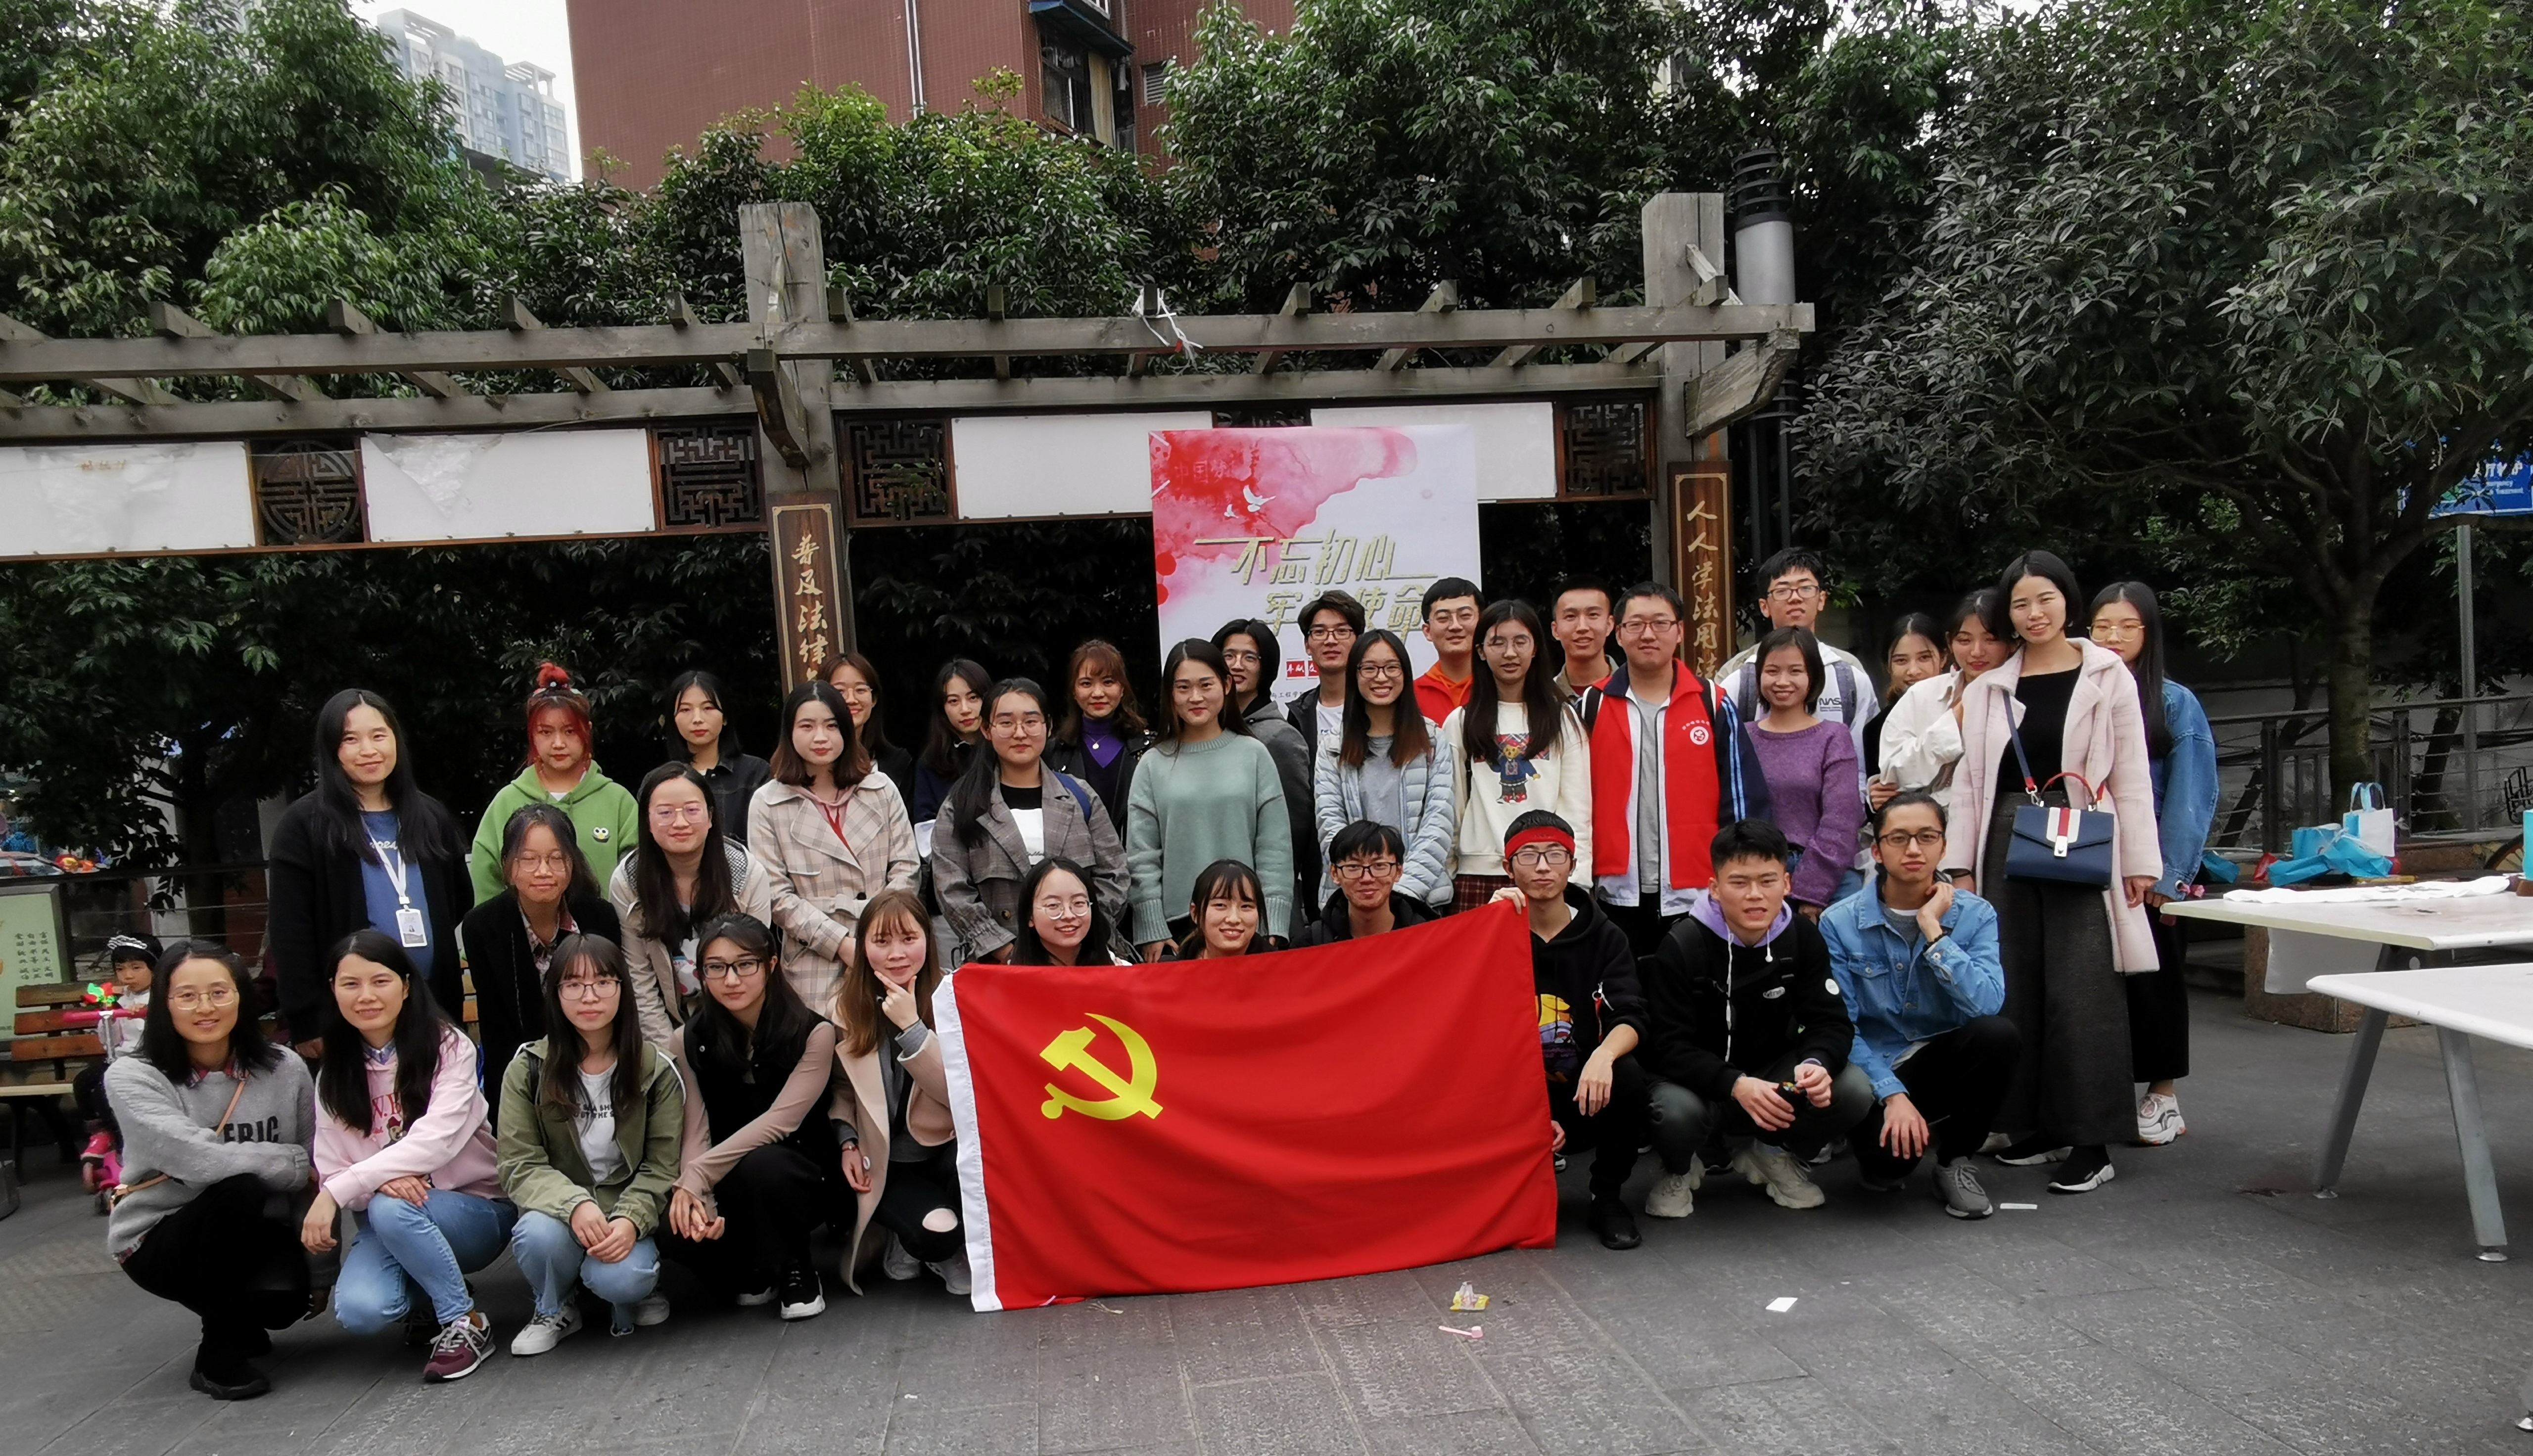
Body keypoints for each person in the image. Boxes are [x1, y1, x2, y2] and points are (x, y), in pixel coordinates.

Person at [1943, 550, 2159, 1195]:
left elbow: (2132, 774)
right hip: (2002, 836)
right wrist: (1960, 866)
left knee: (2082, 986)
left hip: (2079, 832)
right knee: (2015, 984)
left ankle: (2090, 1141)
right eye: (2020, 603)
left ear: (2068, 601)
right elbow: (1970, 785)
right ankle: (2035, 1125)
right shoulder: (1988, 687)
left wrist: (2140, 863)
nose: (2034, 613)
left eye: (2045, 599)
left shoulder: (2107, 675)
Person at [105, 942, 314, 1400]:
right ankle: (217, 1354)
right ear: (164, 1003)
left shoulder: (286, 1068)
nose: (205, 1008)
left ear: (241, 997)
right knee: (238, 1188)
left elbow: (314, 1177)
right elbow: (197, 1161)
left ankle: (238, 1317)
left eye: (219, 993)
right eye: (187, 996)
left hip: (256, 1227)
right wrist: (288, 1162)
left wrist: (321, 1267)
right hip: (158, 1236)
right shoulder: (133, 1075)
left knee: (284, 1301)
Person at [305, 931, 512, 1381]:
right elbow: (334, 1167)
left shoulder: (449, 1047)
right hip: (387, 1219)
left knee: (392, 1206)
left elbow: (435, 1142)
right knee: (361, 1310)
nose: (366, 996)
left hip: (473, 1210)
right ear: (333, 990)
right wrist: (379, 1181)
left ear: (405, 985)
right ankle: (433, 1282)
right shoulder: (334, 1074)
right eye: (351, 984)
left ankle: (464, 1321)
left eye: (380, 981)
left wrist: (338, 1193)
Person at [1640, 819, 1873, 1214]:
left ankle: (1771, 1153)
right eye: (1739, 882)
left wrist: (1817, 1063)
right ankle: (1680, 1166)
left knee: (1852, 1088)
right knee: (1671, 1111)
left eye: (1767, 881)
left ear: (1787, 883)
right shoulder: (1683, 945)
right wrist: (1734, 1084)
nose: (1755, 895)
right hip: (1699, 1087)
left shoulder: (1802, 937)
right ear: (1715, 888)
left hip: (1775, 1079)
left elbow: (1831, 1022)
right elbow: (1666, 1046)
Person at [1821, 792, 2019, 1219]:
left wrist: (1934, 931)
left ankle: (1955, 1160)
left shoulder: (1976, 914)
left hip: (1942, 1060)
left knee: (1998, 1035)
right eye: (1899, 838)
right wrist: (1893, 1095)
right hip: (1879, 1066)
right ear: (1877, 851)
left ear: (1943, 847)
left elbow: (1987, 1003)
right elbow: (1841, 1025)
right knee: (1887, 1168)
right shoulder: (1838, 921)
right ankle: (1881, 1132)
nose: (1914, 849)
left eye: (1927, 837)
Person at [497, 933, 683, 1353]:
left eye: (603, 982)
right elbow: (519, 1163)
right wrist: (575, 1205)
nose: (590, 996)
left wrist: (631, 1219)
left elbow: (663, 1165)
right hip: (560, 1212)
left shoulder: (656, 1069)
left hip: (625, 1209)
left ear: (622, 989)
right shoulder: (528, 1068)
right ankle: (555, 1304)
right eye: (573, 984)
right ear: (555, 993)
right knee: (536, 1235)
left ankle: (629, 1285)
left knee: (624, 1279)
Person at [659, 914, 840, 1320]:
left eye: (745, 965)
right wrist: (699, 1198)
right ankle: (750, 1265)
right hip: (727, 1177)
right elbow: (696, 1128)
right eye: (716, 967)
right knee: (672, 1227)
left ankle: (796, 1264)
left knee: (766, 1167)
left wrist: (699, 1175)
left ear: (771, 965)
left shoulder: (813, 1032)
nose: (731, 980)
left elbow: (781, 1122)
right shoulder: (687, 1039)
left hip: (801, 1173)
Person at [269, 688, 471, 1049]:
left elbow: (458, 899)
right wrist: (307, 1019)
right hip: (347, 1017)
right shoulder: (305, 824)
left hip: (432, 1006)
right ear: (331, 749)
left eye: (379, 736)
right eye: (351, 739)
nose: (368, 750)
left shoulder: (430, 817)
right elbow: (290, 931)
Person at [1576, 584, 1774, 954]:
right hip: (1615, 890)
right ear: (1618, 633)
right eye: (1636, 624)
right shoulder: (1593, 704)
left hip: (1697, 889)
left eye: (1660, 623)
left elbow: (1741, 800)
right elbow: (1575, 797)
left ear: (1680, 631)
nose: (1648, 634)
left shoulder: (1712, 702)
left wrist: (1742, 876)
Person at [2090, 582, 2217, 1147]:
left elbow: (2192, 792)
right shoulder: (2082, 691)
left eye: (2126, 626)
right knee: (2102, 985)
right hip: (2092, 860)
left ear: (2148, 633)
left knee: (2156, 981)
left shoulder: (2171, 701)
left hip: (2151, 868)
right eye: (2102, 626)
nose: (2113, 637)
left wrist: (2170, 874)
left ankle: (2163, 1095)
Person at [1490, 811, 1648, 1249]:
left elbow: (1631, 1015)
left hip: (1583, 1094)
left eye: (1555, 855)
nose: (1543, 867)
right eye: (1529, 856)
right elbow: (1470, 1026)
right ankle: (1504, 1195)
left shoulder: (1606, 936)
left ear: (1573, 864)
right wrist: (1487, 928)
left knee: (1628, 1074)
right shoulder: (1493, 931)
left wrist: (1603, 1056)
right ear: (1507, 868)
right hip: (1515, 1097)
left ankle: (1607, 1196)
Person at [749, 682, 919, 1014]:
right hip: (814, 956)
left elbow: (907, 867)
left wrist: (880, 934)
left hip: (889, 946)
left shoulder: (881, 789)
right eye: (807, 726)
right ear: (789, 732)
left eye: (831, 726)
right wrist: (841, 944)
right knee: (825, 1042)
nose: (821, 737)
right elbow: (776, 895)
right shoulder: (767, 803)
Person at [933, 679, 1131, 963]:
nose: (1020, 733)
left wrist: (1081, 937)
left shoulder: (1080, 797)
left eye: (1031, 721)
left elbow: (1115, 874)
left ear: (1048, 727)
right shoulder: (962, 805)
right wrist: (1006, 951)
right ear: (987, 730)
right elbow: (951, 888)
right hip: (1001, 966)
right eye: (1006, 723)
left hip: (1082, 961)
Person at [829, 889, 967, 1296]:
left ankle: (951, 1241)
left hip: (946, 1148)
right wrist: (847, 1141)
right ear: (863, 946)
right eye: (881, 941)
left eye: (909, 939)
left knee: (979, 1191)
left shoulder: (954, 999)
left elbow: (960, 1095)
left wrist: (913, 1030)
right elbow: (842, 1089)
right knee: (937, 1234)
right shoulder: (846, 1007)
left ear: (928, 939)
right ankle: (909, 1235)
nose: (896, 954)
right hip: (887, 1161)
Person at [1126, 639, 1295, 958]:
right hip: (1176, 931)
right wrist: (1152, 928)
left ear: (1227, 685)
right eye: (1183, 688)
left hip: (1246, 925)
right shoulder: (1152, 764)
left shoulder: (1254, 755)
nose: (1196, 697)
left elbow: (1275, 847)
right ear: (1170, 694)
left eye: (1206, 685)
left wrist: (1272, 920)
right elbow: (1141, 856)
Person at [459, 804, 621, 1118]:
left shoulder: (599, 917)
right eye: (528, 859)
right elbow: (497, 1029)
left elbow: (611, 1005)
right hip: (520, 1073)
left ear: (572, 863)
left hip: (595, 1067)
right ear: (508, 866)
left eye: (556, 858)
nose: (543, 871)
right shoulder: (483, 926)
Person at [1446, 599, 1593, 910]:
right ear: (1481, 651)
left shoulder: (1563, 718)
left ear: (1535, 648)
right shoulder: (1461, 721)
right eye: (1498, 643)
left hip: (1546, 872)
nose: (1510, 653)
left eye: (1520, 642)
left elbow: (1577, 808)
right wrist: (1446, 876)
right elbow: (1452, 807)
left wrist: (1576, 879)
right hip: (1479, 872)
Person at [614, 764, 775, 1046]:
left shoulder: (747, 874)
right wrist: (671, 1056)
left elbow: (754, 971)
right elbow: (640, 981)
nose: (680, 823)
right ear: (647, 821)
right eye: (665, 813)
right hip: (664, 1024)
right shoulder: (628, 881)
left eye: (691, 810)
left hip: (738, 1023)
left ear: (710, 816)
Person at [468, 664, 642, 903]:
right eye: (546, 732)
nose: (558, 743)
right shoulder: (507, 801)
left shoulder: (618, 801)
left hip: (608, 927)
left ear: (588, 731)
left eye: (570, 732)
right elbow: (486, 880)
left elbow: (639, 878)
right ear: (532, 735)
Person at [1315, 629, 1458, 910]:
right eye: (1369, 668)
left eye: (1392, 667)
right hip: (1353, 904)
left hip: (1422, 902)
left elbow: (1439, 824)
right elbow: (1330, 826)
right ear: (1355, 675)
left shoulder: (1432, 741)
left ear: (1405, 673)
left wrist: (1401, 894)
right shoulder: (1333, 747)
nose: (1381, 678)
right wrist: (1367, 888)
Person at [1742, 627, 1867, 918]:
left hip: (1828, 880)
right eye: (1772, 671)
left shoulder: (1834, 737)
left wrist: (1812, 892)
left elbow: (1842, 820)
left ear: (1813, 677)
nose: (1782, 681)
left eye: (1796, 671)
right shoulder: (1741, 736)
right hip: (1756, 877)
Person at [1718, 548, 1878, 769]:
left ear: (1821, 599)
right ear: (1764, 606)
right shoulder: (1738, 674)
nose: (1795, 598)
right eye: (1783, 591)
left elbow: (1865, 757)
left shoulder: (1848, 672)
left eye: (1806, 588)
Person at [1214, 617, 1321, 912]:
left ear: (1267, 667)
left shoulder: (1279, 737)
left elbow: (1292, 834)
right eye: (1229, 656)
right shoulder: (1203, 734)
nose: (1237, 665)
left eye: (1250, 658)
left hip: (1261, 897)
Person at [1876, 590, 2006, 810]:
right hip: (1930, 827)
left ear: (2012, 643)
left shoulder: (2026, 695)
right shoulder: (1922, 695)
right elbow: (1892, 774)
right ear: (1950, 643)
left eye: (1991, 639)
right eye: (1964, 640)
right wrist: (1955, 721)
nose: (1976, 651)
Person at [76, 931, 159, 1194]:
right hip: (122, 1059)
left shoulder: (162, 998)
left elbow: (163, 1035)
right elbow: (110, 1042)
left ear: (155, 968)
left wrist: (144, 1015)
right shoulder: (122, 1000)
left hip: (150, 1061)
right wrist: (109, 1018)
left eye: (136, 968)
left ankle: (124, 1143)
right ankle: (102, 1131)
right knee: (84, 1081)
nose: (128, 976)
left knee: (105, 1089)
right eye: (121, 969)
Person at [1046, 639, 1150, 838]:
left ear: (1122, 689)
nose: (1098, 693)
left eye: (1108, 682)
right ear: (1074, 691)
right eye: (1086, 684)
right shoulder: (1053, 753)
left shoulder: (1149, 750)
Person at [665, 670, 771, 848]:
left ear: (725, 717)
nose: (697, 719)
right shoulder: (661, 781)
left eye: (708, 708)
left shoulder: (755, 773)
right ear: (673, 720)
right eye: (685, 710)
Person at [1291, 820, 1438, 947]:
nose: (1367, 878)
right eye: (1354, 867)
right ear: (1335, 873)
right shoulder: (1309, 946)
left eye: (1379, 866)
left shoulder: (1429, 941)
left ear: (1398, 872)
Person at [1863, 613, 1947, 780]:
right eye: (1901, 661)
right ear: (1888, 666)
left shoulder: (1964, 711)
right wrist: (1877, 792)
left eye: (1924, 658)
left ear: (1943, 658)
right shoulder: (1875, 730)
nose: (1913, 671)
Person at [823, 652, 916, 804]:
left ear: (874, 700)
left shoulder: (898, 763)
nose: (851, 699)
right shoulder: (811, 765)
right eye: (840, 691)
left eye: (860, 690)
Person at [1284, 591, 1365, 760]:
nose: (1330, 641)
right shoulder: (1299, 713)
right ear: (1307, 645)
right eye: (1320, 632)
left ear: (1358, 641)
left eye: (1342, 631)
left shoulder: (1375, 704)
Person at [911, 659, 993, 825]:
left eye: (973, 698)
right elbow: (925, 826)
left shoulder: (1005, 752)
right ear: (943, 708)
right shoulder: (932, 763)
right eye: (954, 701)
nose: (965, 710)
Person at [1009, 857, 1131, 966]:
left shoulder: (1122, 975)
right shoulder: (1011, 980)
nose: (1069, 915)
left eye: (1079, 903)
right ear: (1030, 916)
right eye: (1053, 905)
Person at [1412, 577, 1484, 723]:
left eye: (1465, 616)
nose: (1455, 626)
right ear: (1428, 631)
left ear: (1482, 624)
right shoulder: (1411, 696)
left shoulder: (1499, 687)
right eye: (1443, 618)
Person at [1167, 860, 1267, 960]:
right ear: (1195, 913)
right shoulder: (1169, 968)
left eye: (1246, 907)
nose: (1234, 919)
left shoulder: (1276, 967)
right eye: (1220, 905)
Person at [1549, 580, 1617, 699]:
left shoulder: (1635, 690)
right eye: (1571, 616)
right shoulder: (1545, 699)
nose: (1582, 627)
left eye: (1593, 615)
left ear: (1609, 625)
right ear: (1556, 630)